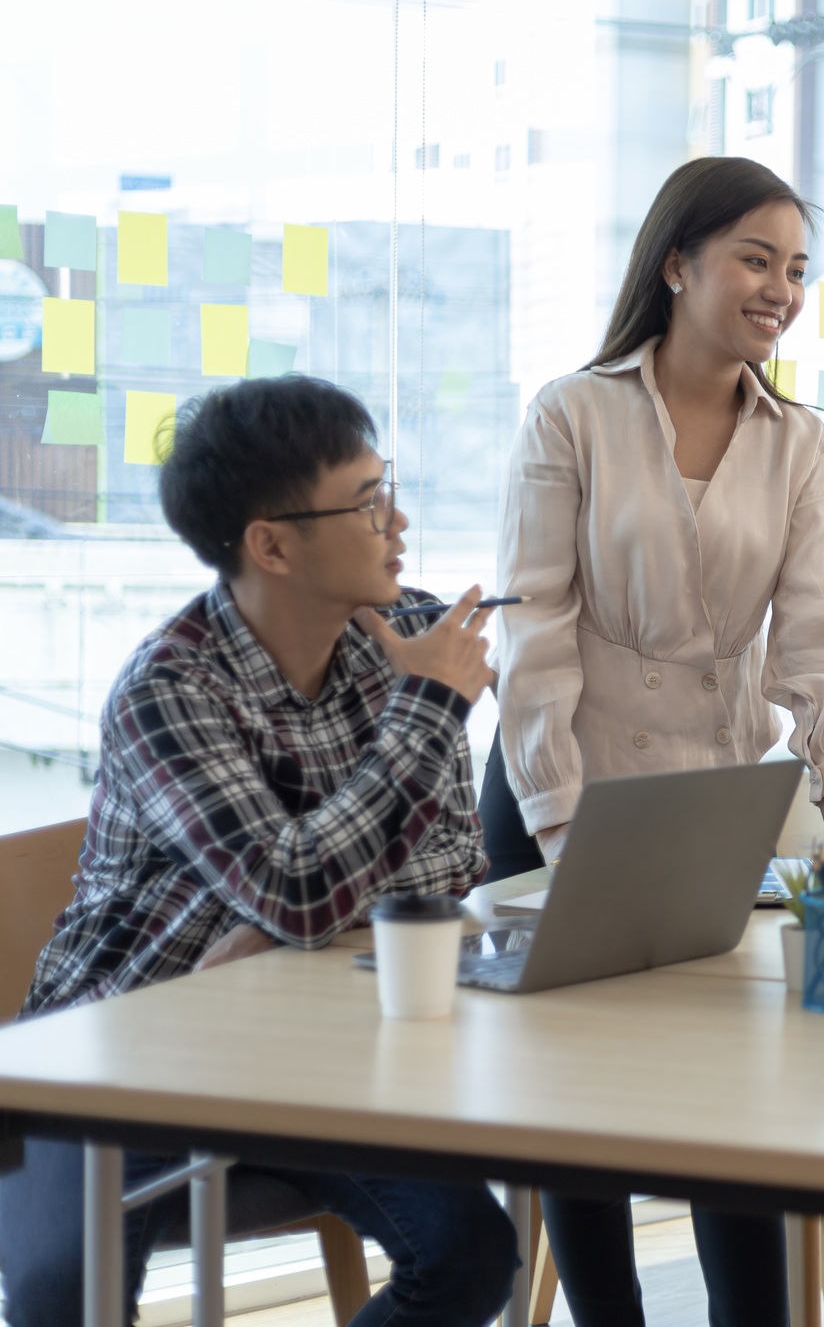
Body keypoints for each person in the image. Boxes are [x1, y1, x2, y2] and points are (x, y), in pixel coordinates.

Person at [0, 376, 518, 1326]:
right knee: (56, 1294)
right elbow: (301, 886)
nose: (396, 521)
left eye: (385, 487)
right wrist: (428, 714)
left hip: (307, 1052)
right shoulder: (169, 689)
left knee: (470, 1252)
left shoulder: (412, 634)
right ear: (271, 544)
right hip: (112, 1054)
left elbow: (449, 865)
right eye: (366, 502)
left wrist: (283, 926)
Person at [481, 155, 824, 1325]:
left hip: (710, 796)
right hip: (562, 777)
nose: (780, 288)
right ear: (676, 265)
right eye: (755, 258)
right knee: (579, 1098)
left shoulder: (799, 442)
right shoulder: (574, 411)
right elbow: (533, 632)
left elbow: (813, 638)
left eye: (796, 268)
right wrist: (565, 822)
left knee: (733, 1092)